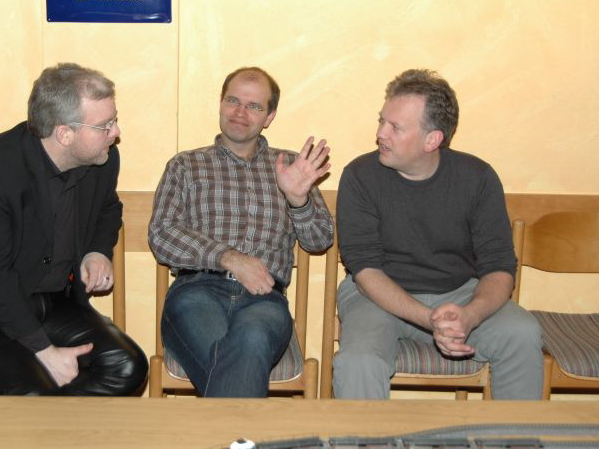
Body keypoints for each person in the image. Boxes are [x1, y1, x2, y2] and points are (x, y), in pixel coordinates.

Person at [0, 63, 148, 395]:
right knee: (36, 394)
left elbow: (109, 209)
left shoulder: (102, 159)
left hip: (58, 303)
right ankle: (55, 420)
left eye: (114, 120)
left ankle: (61, 423)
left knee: (128, 367)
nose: (116, 132)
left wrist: (97, 251)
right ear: (64, 134)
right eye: (104, 125)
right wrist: (45, 352)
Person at [333, 68, 543, 399]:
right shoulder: (360, 176)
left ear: (432, 140)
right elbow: (365, 270)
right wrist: (430, 319)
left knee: (522, 332)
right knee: (358, 361)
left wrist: (470, 315)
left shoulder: (478, 178)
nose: (380, 133)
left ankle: (513, 429)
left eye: (395, 127)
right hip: (375, 296)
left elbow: (499, 266)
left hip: (460, 292)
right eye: (382, 121)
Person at [148, 67, 334, 398]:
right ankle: (246, 428)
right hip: (196, 292)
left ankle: (231, 428)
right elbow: (162, 234)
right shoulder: (185, 165)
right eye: (233, 101)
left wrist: (299, 200)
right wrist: (229, 258)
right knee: (240, 356)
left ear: (269, 116)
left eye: (254, 106)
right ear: (220, 103)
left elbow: (320, 240)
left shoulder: (293, 167)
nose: (240, 112)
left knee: (251, 339)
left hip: (265, 300)